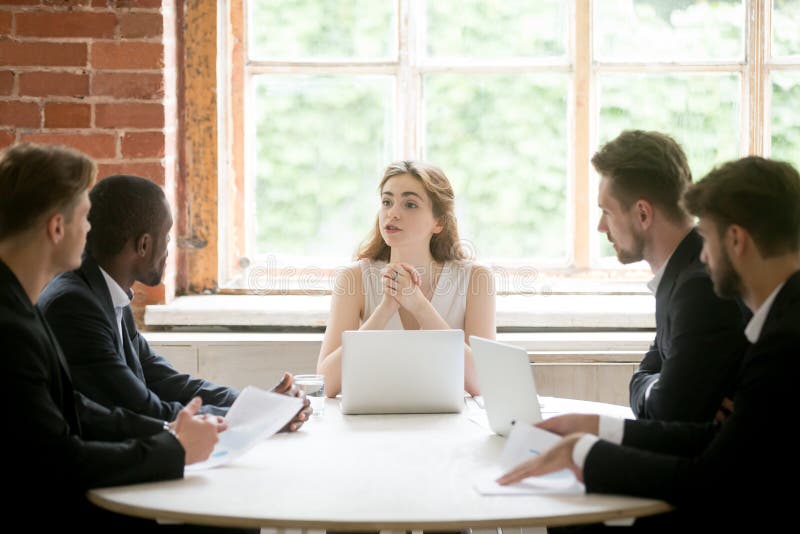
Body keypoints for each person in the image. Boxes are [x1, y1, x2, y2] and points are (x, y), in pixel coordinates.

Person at [497, 156, 800, 530]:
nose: (703, 256)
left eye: (705, 239)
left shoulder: (784, 341)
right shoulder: (781, 320)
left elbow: (711, 477)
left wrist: (585, 454)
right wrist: (596, 426)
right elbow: (719, 436)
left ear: (736, 240)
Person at [0, 144, 245, 532]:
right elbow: (56, 458)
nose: (91, 230)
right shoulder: (17, 322)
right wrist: (175, 448)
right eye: (85, 217)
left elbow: (75, 408)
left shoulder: (20, 302)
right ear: (57, 227)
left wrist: (180, 433)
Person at [38, 174, 311, 429]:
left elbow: (167, 382)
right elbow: (144, 410)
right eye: (166, 237)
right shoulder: (74, 307)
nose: (170, 249)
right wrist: (260, 416)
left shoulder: (104, 290)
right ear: (143, 245)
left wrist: (259, 404)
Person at [593, 130, 749, 422]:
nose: (601, 227)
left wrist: (659, 388)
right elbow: (646, 376)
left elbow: (668, 411)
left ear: (642, 214)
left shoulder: (700, 288)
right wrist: (658, 385)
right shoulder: (681, 272)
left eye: (606, 211)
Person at [317, 160, 496, 397]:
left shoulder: (476, 279)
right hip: (371, 425)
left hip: (450, 427)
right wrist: (385, 309)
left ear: (439, 222)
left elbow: (484, 384)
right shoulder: (354, 279)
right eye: (387, 202)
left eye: (410, 204)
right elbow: (324, 384)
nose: (392, 213)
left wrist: (419, 305)